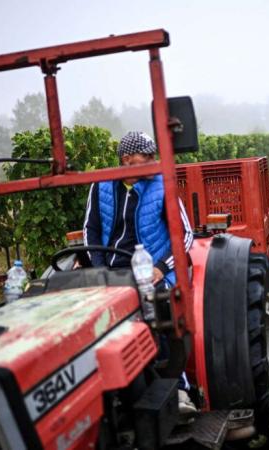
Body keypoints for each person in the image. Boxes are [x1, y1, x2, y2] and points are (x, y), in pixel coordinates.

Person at [83, 131, 196, 415]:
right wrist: (97, 268)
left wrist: (160, 267)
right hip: (111, 267)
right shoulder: (100, 186)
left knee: (159, 312)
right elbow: (91, 229)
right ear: (126, 159)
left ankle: (180, 389)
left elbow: (185, 235)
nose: (152, 161)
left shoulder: (162, 185)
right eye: (146, 156)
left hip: (152, 267)